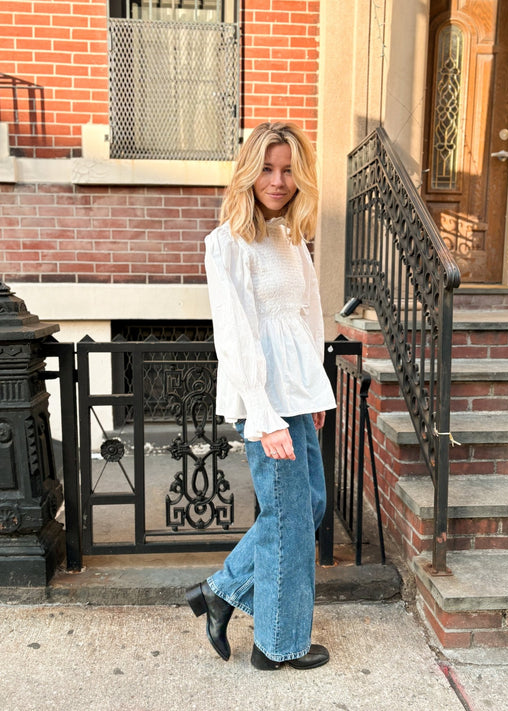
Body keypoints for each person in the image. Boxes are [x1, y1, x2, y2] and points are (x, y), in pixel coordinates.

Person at [186, 121, 336, 670]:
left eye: (288, 170)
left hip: (296, 393)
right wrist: (265, 415)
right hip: (265, 400)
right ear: (249, 173)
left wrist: (314, 391)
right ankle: (277, 645)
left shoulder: (292, 238)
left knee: (308, 506)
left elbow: (307, 317)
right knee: (288, 517)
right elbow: (235, 335)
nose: (277, 181)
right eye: (267, 169)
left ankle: (220, 591)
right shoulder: (229, 242)